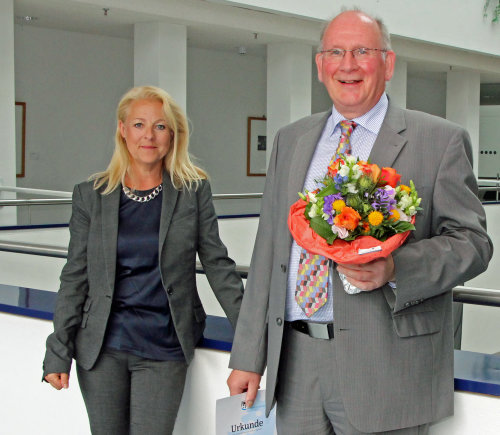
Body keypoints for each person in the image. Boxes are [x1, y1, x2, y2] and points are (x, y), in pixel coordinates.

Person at [227, 9, 493, 435]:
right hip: (295, 366)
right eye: (335, 51)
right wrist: (247, 355)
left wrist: (394, 269)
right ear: (320, 66)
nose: (347, 64)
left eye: (361, 51)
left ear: (387, 63)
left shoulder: (438, 140)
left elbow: (473, 244)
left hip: (385, 369)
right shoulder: (291, 140)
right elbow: (269, 253)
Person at [43, 85, 244, 434]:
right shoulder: (90, 195)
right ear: (122, 130)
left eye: (160, 126)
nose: (148, 135)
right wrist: (57, 350)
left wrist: (250, 336)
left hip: (164, 347)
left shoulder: (192, 191)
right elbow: (75, 276)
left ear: (173, 135)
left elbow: (217, 264)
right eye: (139, 125)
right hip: (101, 350)